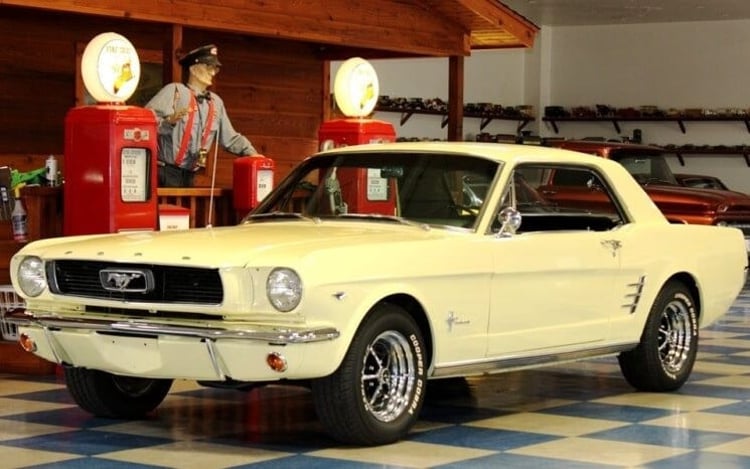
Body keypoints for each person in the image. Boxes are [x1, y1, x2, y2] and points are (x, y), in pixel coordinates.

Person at [146, 44, 258, 187]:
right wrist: (168, 122)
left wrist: (252, 153)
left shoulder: (216, 103)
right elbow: (146, 122)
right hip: (164, 173)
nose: (213, 72)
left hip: (190, 176)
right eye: (208, 67)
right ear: (193, 69)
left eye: (215, 68)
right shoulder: (175, 92)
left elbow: (230, 138)